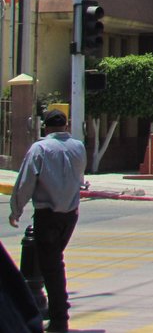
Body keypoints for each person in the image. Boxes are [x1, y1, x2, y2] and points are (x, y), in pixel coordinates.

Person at [9, 109, 86, 333]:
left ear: (46, 128)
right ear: (66, 125)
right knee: (53, 263)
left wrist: (16, 210)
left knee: (52, 268)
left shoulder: (40, 148)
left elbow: (26, 181)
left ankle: (59, 318)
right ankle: (54, 308)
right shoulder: (78, 147)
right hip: (70, 215)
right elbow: (79, 177)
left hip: (47, 215)